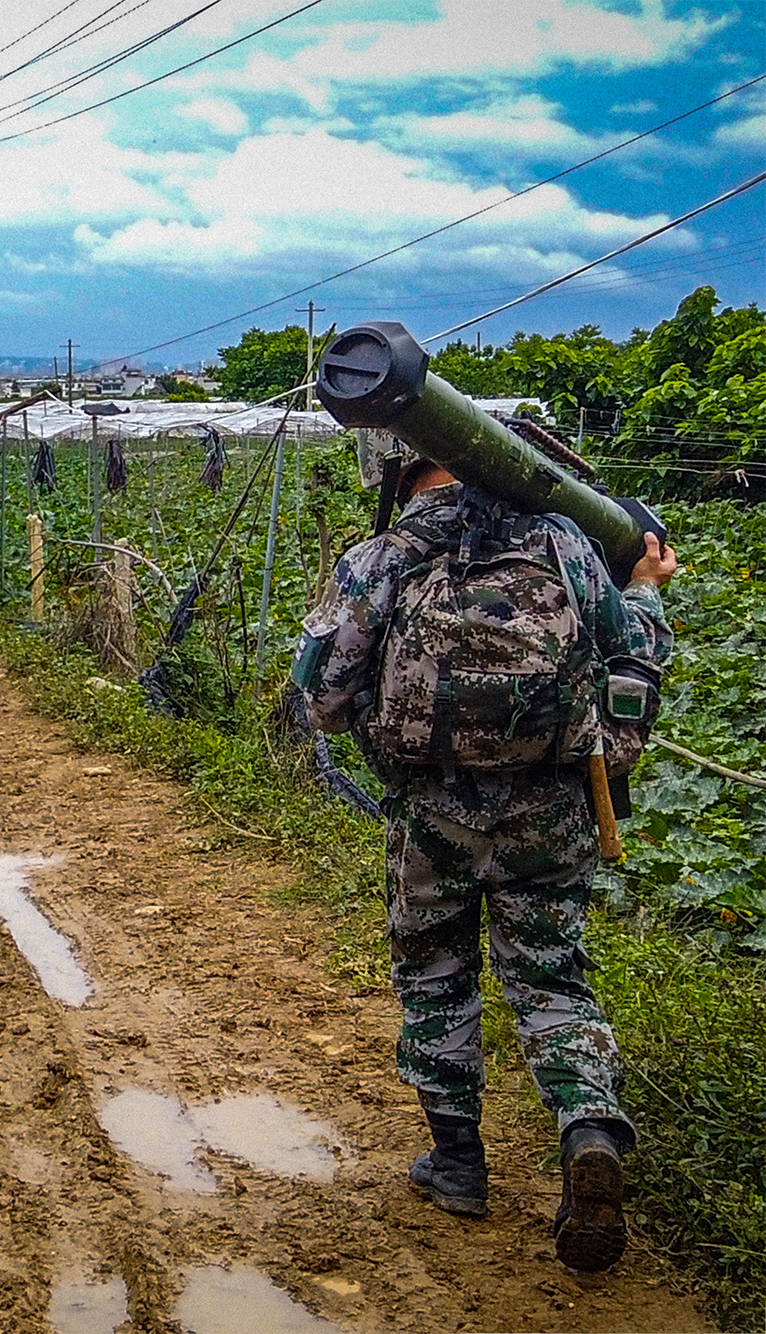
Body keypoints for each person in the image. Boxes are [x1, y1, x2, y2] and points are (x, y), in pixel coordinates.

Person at [292, 434, 676, 1274]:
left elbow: (320, 697)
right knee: (550, 975)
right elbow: (632, 659)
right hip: (554, 809)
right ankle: (588, 1129)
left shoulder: (385, 556)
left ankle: (459, 1165)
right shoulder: (567, 544)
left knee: (435, 971)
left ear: (394, 468)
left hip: (431, 812)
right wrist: (644, 592)